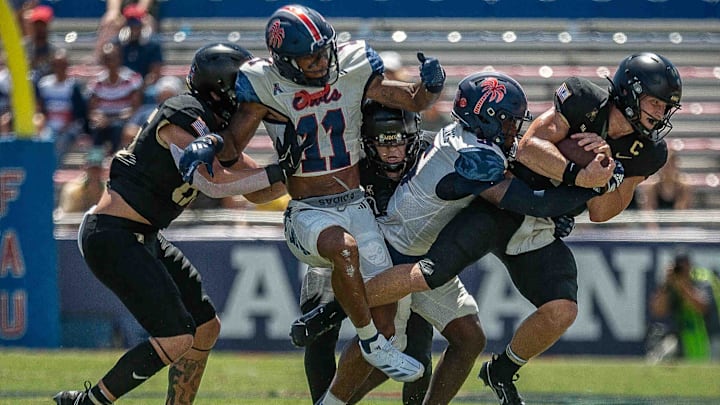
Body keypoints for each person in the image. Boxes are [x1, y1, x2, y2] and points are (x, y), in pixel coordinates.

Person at [296, 71, 624, 405]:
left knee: (468, 338)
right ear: (488, 117)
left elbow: (523, 190)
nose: (515, 130)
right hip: (396, 250)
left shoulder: (463, 138)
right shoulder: (476, 155)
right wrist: (594, 183)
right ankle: (332, 389)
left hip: (420, 249)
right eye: (510, 123)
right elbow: (527, 201)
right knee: (383, 339)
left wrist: (568, 195)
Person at [205, 3, 448, 391]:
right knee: (342, 259)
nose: (321, 62)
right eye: (310, 57)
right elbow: (232, 148)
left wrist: (431, 86)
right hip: (307, 210)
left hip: (356, 204)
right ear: (284, 61)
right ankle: (368, 341)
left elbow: (414, 100)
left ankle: (338, 393)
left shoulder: (352, 67)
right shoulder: (264, 84)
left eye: (324, 51)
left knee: (389, 316)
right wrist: (212, 141)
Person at [52, 42, 305, 405]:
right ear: (223, 87)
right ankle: (89, 402)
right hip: (113, 234)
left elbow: (256, 190)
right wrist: (278, 170)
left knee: (205, 328)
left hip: (144, 235)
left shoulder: (214, 125)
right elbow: (209, 181)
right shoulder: (183, 112)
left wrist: (294, 172)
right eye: (244, 85)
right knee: (175, 337)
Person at [295, 101, 435, 404]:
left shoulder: (433, 159)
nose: (392, 151)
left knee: (417, 351)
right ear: (365, 142)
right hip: (345, 254)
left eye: (399, 140)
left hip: (404, 264)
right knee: (318, 332)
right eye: (382, 143)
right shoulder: (345, 161)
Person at [649, 251, 720, 361]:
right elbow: (658, 311)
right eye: (679, 266)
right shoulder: (671, 282)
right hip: (681, 338)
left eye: (684, 265)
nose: (682, 270)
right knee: (659, 357)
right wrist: (666, 285)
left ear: (690, 265)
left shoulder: (703, 278)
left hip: (710, 336)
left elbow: (703, 307)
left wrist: (683, 286)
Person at [86, 42, 143, 154]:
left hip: (123, 119)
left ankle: (115, 157)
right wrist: (98, 118)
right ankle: (95, 162)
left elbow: (135, 108)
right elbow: (92, 110)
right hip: (103, 120)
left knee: (117, 128)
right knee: (96, 128)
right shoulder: (97, 82)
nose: (110, 62)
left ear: (119, 59)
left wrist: (112, 120)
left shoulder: (131, 79)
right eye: (107, 59)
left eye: (112, 58)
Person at [36, 47, 89, 164]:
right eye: (56, 65)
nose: (59, 68)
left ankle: (52, 169)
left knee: (60, 142)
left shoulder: (73, 86)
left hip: (68, 128)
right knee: (42, 139)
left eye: (62, 65)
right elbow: (39, 108)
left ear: (67, 66)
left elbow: (79, 114)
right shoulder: (44, 84)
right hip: (48, 126)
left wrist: (64, 127)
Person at [115, 3, 164, 88]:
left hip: (145, 85)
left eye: (136, 25)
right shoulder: (117, 44)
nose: (134, 28)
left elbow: (155, 74)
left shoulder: (152, 44)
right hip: (122, 85)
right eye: (131, 25)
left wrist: (141, 86)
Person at [56, 147, 106, 215]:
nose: (94, 173)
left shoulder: (108, 192)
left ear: (102, 170)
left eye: (97, 169)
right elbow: (68, 215)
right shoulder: (72, 190)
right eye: (91, 169)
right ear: (84, 168)